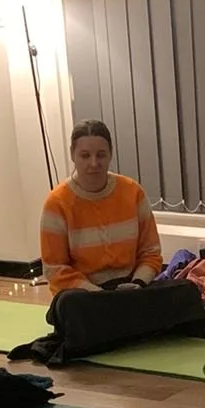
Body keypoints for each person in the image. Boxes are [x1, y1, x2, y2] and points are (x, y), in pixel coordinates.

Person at [40, 121, 164, 296]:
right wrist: (98, 295)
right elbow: (55, 269)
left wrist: (138, 282)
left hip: (131, 288)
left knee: (184, 293)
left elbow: (151, 252)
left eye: (101, 155)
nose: (94, 163)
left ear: (110, 154)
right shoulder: (56, 203)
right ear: (72, 154)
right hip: (83, 295)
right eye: (85, 156)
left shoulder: (133, 192)